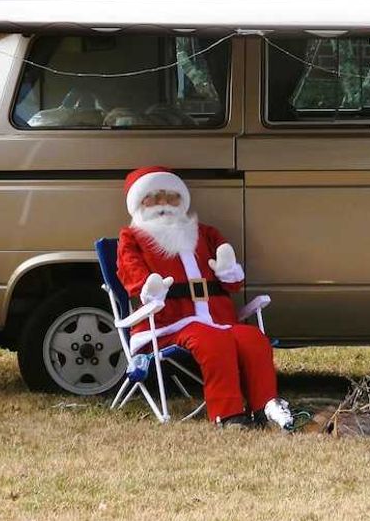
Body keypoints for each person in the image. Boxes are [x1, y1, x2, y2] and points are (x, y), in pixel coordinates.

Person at [116, 165, 293, 430]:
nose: (163, 203)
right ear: (139, 203)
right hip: (167, 323)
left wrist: (226, 267)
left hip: (217, 318)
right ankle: (228, 414)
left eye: (171, 196)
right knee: (212, 341)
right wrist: (149, 286)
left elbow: (233, 284)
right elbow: (130, 270)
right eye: (154, 197)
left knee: (253, 338)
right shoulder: (132, 237)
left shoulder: (206, 233)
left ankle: (265, 408)